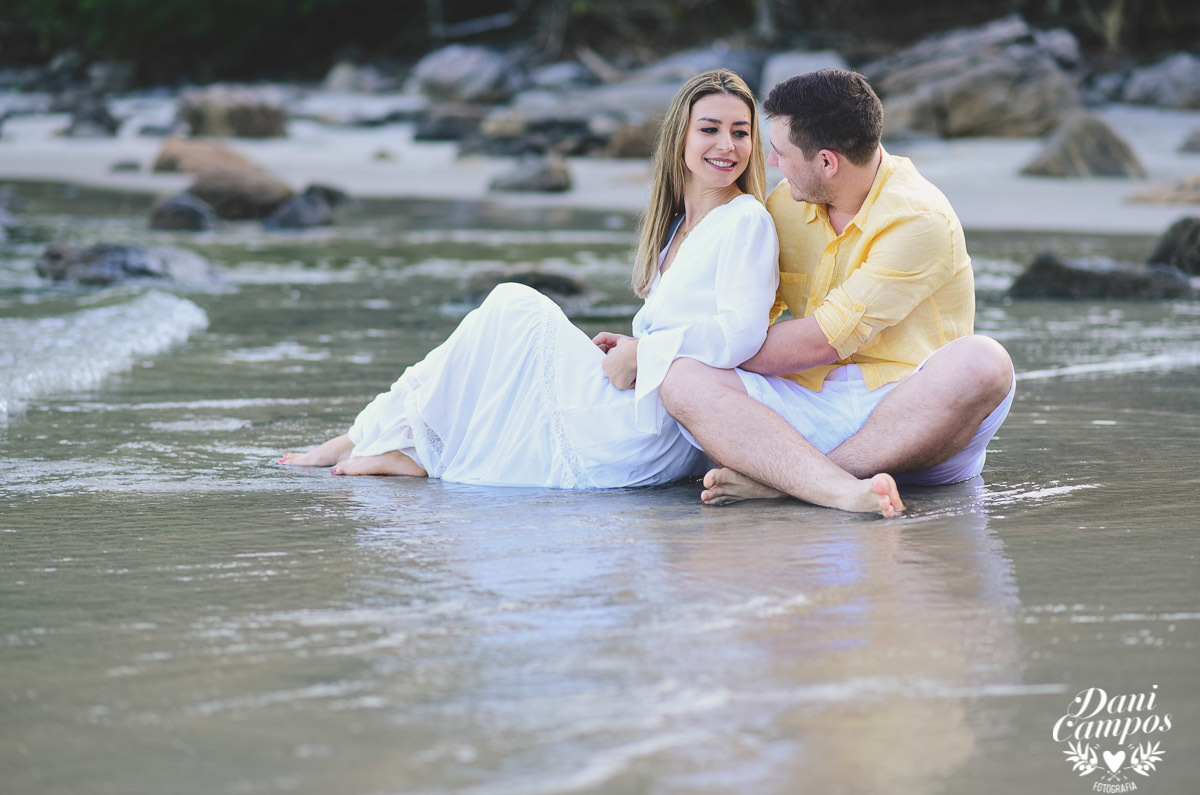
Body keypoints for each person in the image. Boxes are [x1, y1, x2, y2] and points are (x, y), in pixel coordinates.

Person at [283, 70, 904, 509]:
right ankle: (378, 438)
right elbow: (682, 321)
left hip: (656, 422)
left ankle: (389, 443)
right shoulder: (679, 228)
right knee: (500, 327)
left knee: (514, 307)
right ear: (680, 139)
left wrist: (647, 353)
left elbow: (741, 333)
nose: (726, 146)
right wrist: (634, 343)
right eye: (710, 129)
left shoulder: (745, 219)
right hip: (640, 387)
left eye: (741, 133)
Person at [659, 69, 1015, 515]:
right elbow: (748, 319)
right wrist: (674, 353)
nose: (770, 164)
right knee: (683, 379)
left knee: (984, 362)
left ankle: (798, 481)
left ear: (827, 163)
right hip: (812, 404)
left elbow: (819, 341)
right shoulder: (786, 205)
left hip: (912, 415)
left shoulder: (919, 220)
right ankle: (823, 482)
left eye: (781, 153)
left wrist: (668, 348)